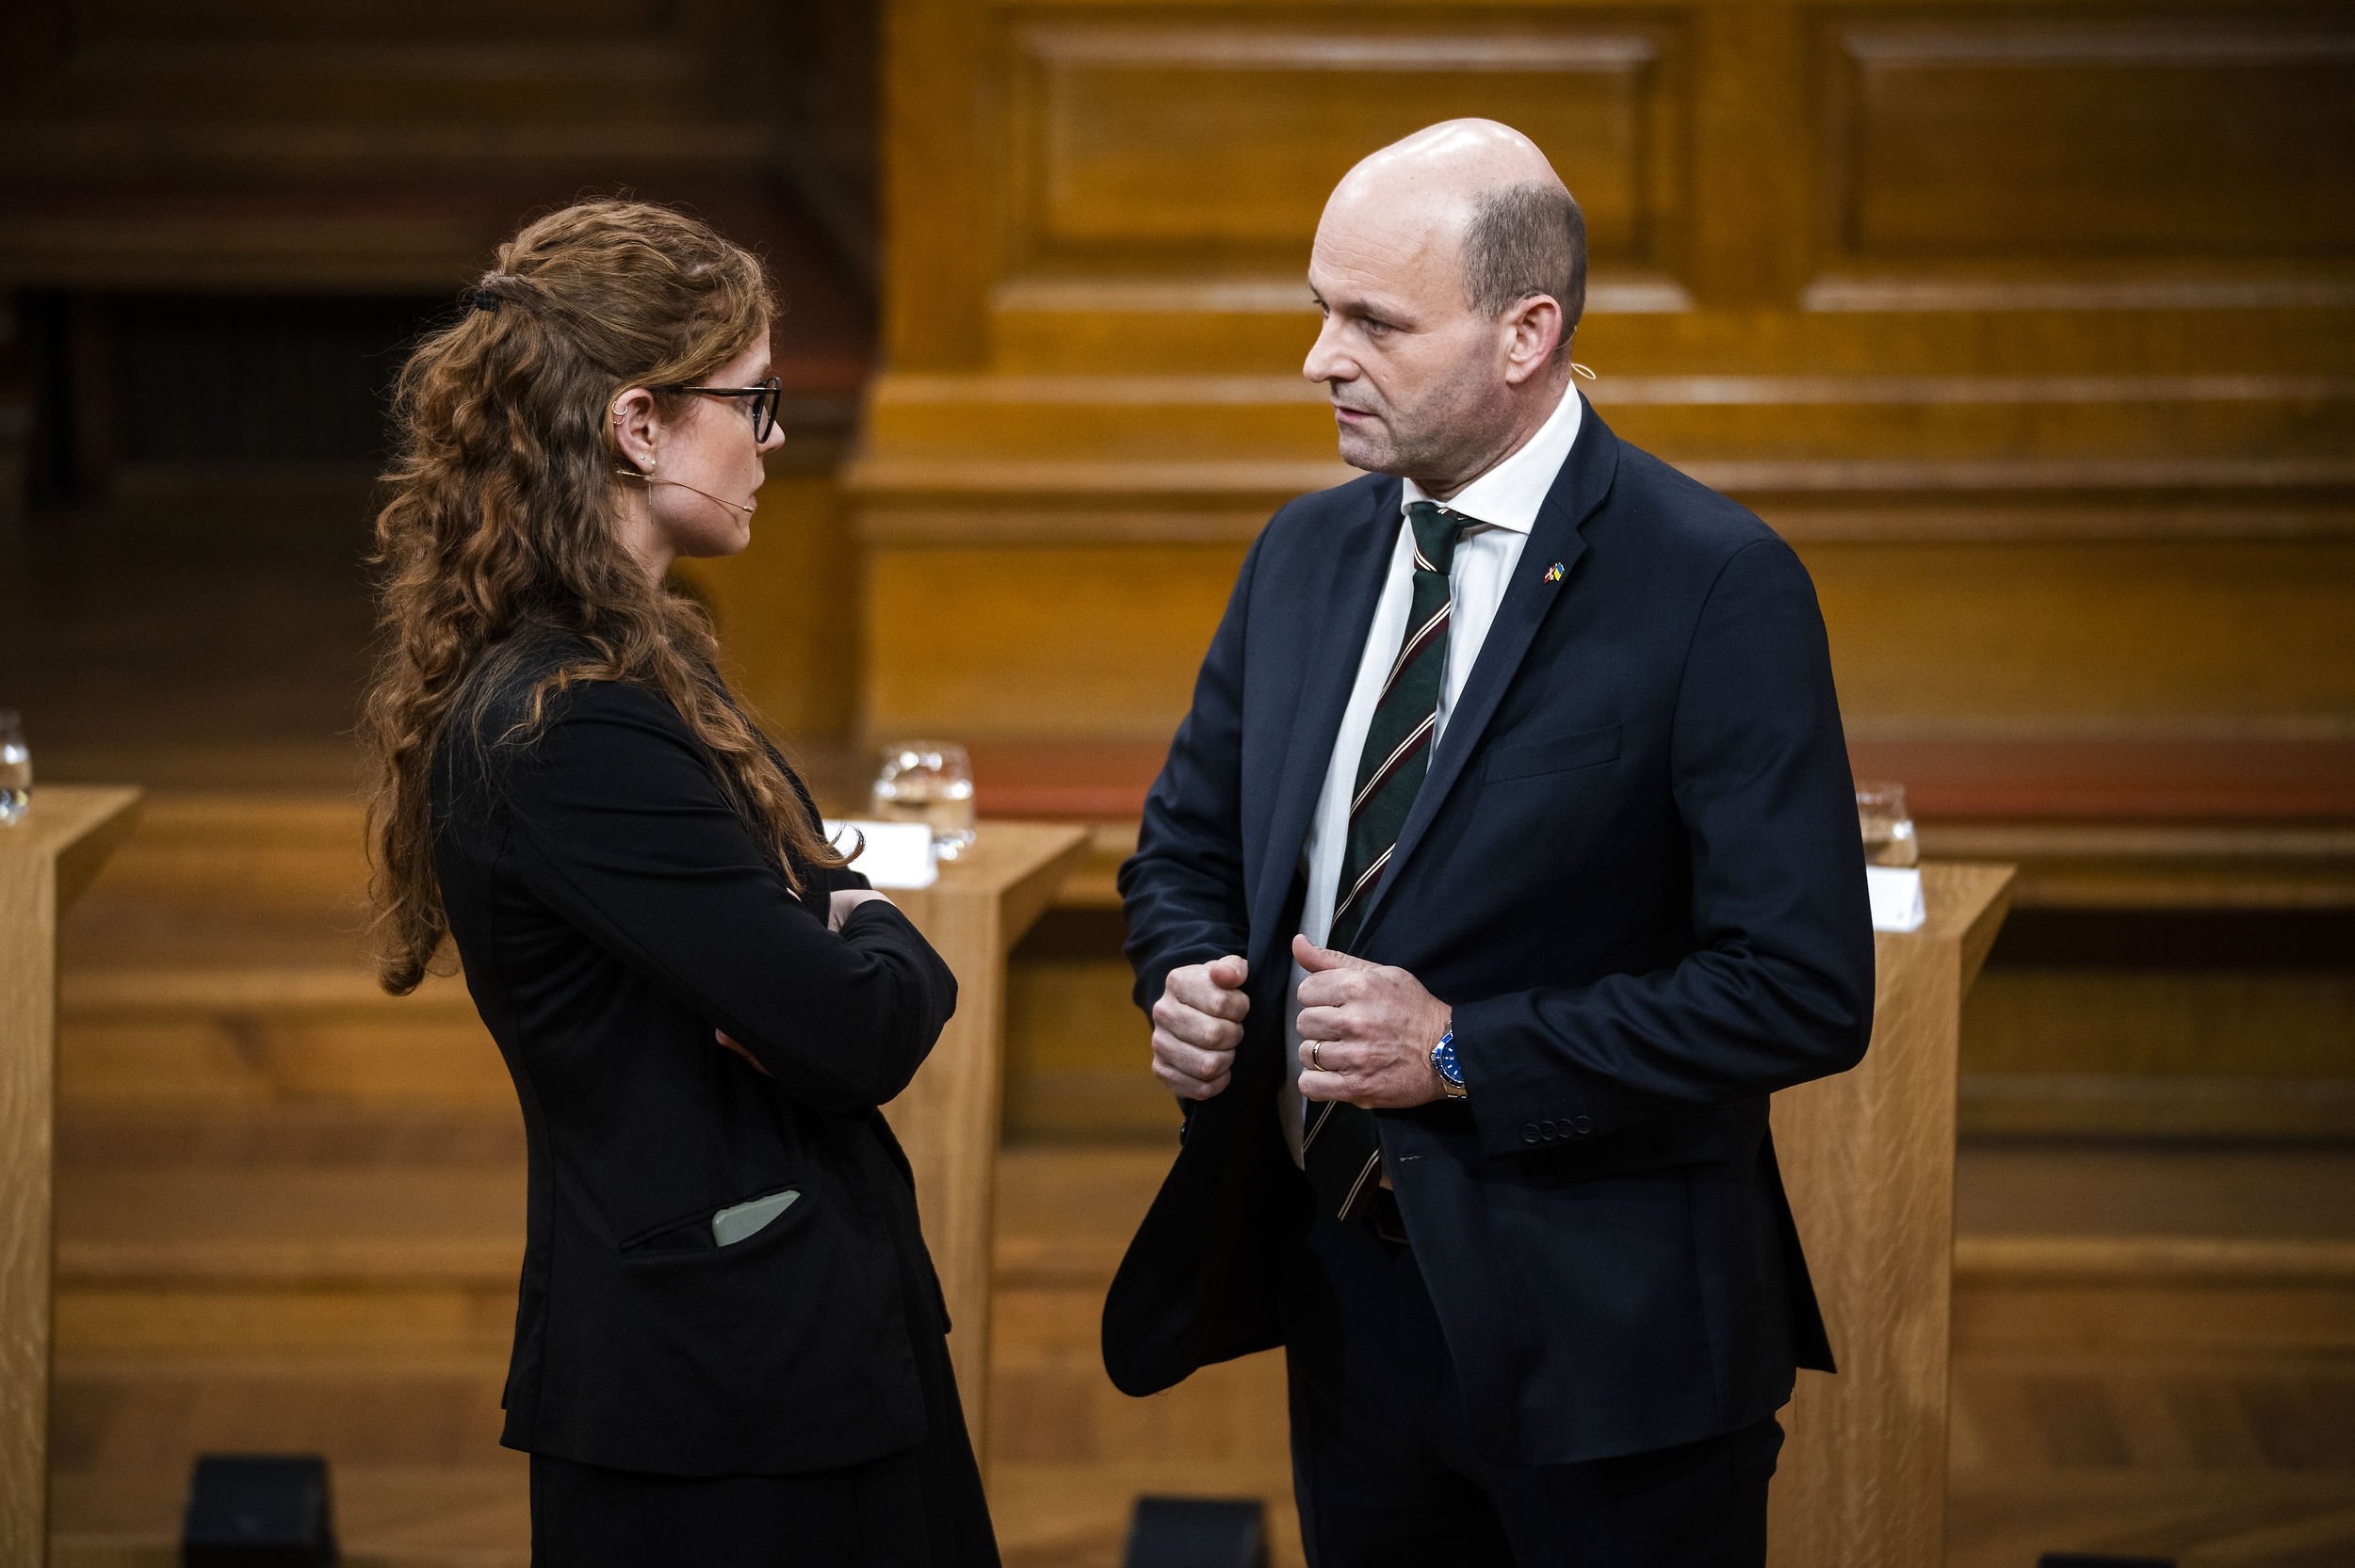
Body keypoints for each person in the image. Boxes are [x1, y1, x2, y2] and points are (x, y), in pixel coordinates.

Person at [1103, 121, 1876, 1566]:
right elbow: (1185, 846)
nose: (1320, 359)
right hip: (1348, 1302)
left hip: (1610, 1343)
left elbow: (1801, 985)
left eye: (1373, 322)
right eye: (1319, 309)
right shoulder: (1305, 554)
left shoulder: (1716, 583)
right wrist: (1192, 975)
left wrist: (1460, 1048)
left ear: (1529, 332)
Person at [361, 200, 999, 1568]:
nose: (773, 443)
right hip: (720, 1408)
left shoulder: (650, 664)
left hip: (780, 1370)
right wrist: (878, 931)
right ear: (639, 424)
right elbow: (858, 1023)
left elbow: (814, 929)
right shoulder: (567, 725)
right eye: (751, 402)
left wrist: (827, 928)